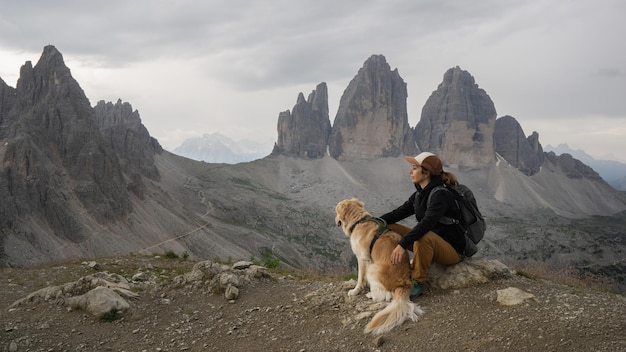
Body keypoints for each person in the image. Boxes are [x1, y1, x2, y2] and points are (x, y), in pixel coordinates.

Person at [379, 152, 465, 299]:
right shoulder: (420, 193)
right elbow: (398, 213)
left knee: (423, 235)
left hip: (451, 251)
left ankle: (418, 281)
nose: (410, 171)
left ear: (426, 173)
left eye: (414, 168)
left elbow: (427, 223)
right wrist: (374, 222)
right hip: (430, 244)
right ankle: (394, 270)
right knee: (388, 228)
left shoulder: (440, 194)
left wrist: (402, 244)